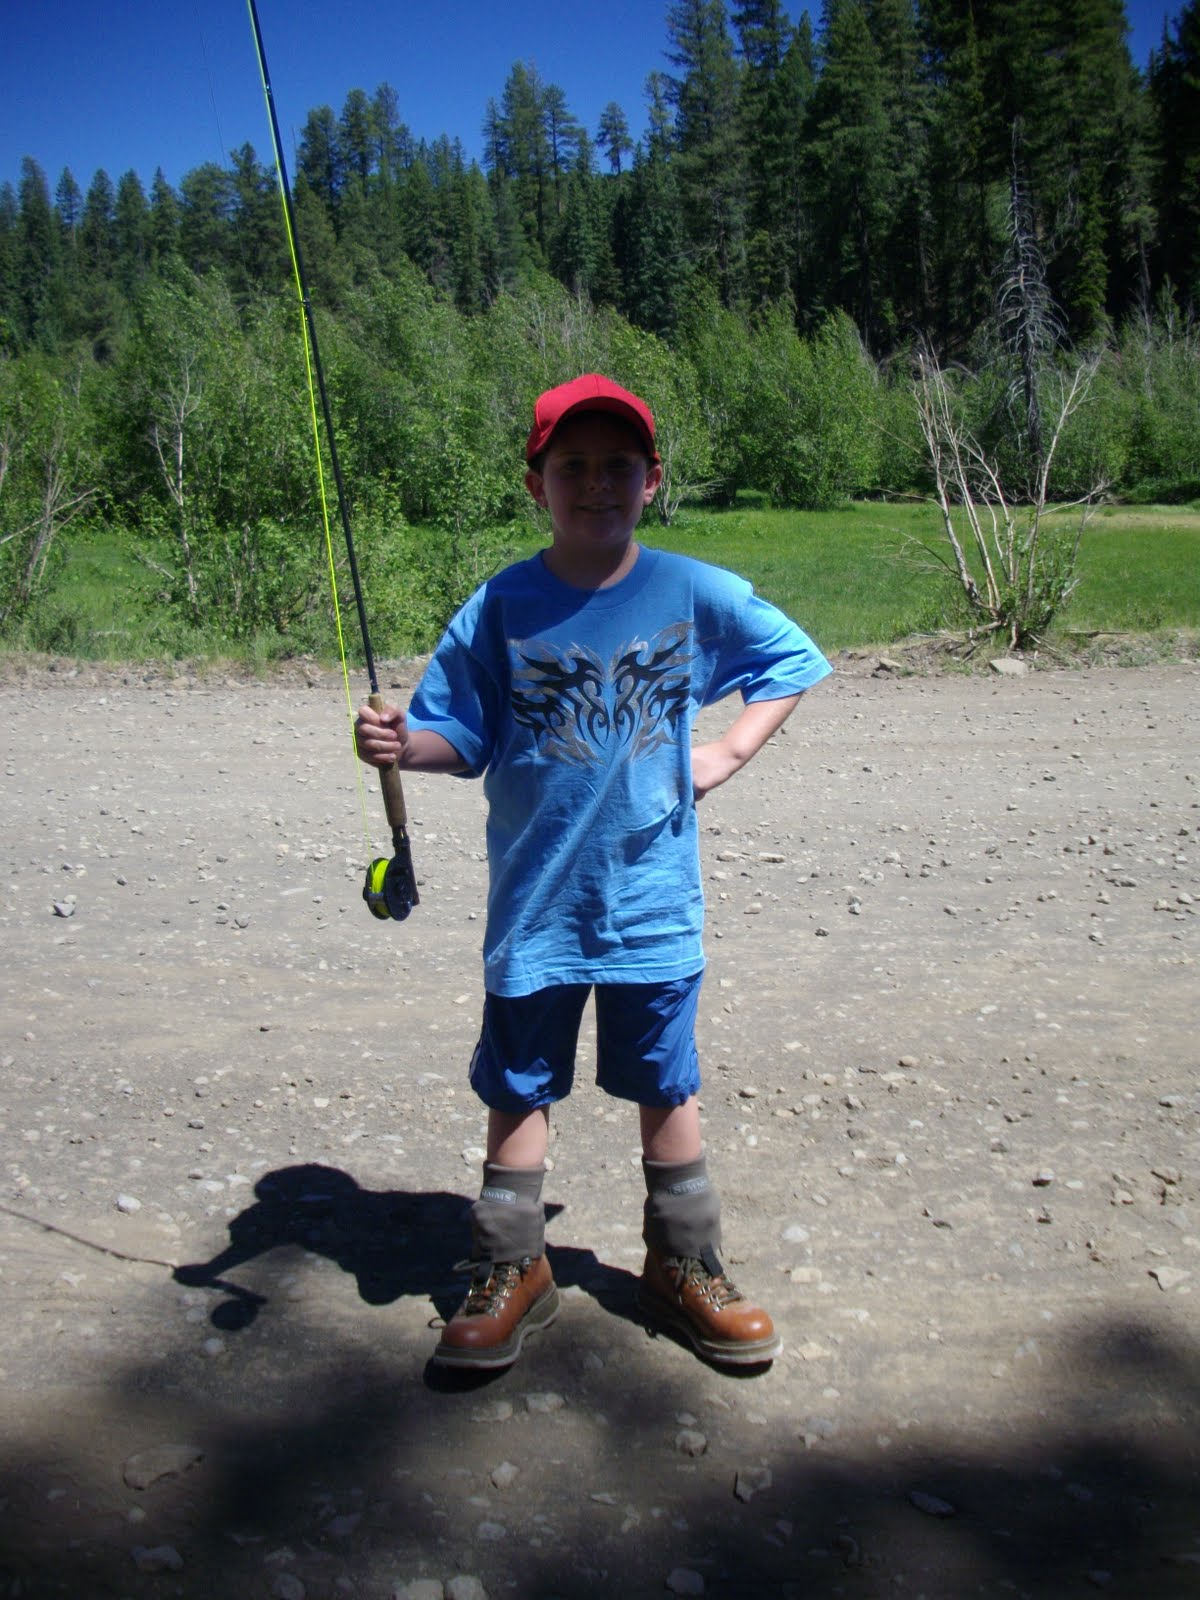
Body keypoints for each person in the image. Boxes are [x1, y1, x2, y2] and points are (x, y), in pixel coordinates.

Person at [355, 374, 831, 1371]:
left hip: (654, 906)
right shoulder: (499, 606)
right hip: (536, 907)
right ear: (537, 484)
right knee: (518, 1084)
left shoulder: (691, 591)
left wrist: (724, 755)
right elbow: (459, 733)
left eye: (619, 465)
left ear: (652, 481)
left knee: (666, 1080)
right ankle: (509, 1268)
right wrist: (405, 748)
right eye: (572, 465)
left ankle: (684, 1263)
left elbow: (790, 660)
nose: (596, 483)